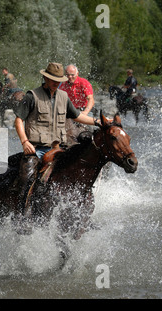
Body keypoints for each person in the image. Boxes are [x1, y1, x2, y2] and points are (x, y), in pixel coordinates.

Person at [12, 62, 102, 210]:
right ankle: (22, 214)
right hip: (37, 149)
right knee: (26, 178)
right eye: (53, 80)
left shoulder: (63, 96)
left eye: (59, 81)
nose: (56, 84)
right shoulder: (32, 96)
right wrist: (24, 142)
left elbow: (78, 116)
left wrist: (98, 122)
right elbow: (18, 120)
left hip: (59, 148)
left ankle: (79, 211)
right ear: (45, 79)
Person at [58, 64, 95, 145]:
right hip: (69, 111)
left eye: (72, 75)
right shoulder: (63, 85)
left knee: (90, 132)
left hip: (83, 110)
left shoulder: (84, 82)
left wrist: (85, 112)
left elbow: (91, 100)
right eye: (67, 75)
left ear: (77, 74)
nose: (70, 77)